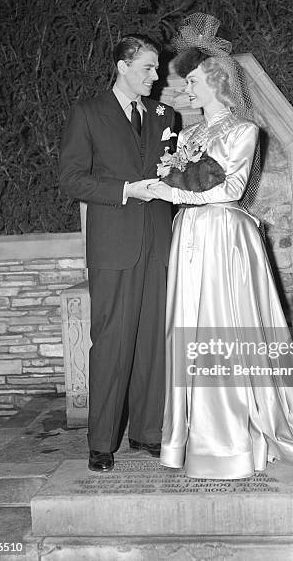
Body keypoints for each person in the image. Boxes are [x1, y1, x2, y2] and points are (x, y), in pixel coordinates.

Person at [148, 14, 293, 479]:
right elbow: (185, 175)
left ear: (216, 80)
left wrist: (170, 190)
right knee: (190, 328)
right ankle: (193, 431)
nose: (188, 91)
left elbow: (230, 189)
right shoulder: (191, 133)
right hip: (191, 235)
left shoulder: (244, 131)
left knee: (225, 323)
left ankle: (235, 434)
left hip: (222, 234)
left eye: (193, 81)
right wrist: (171, 185)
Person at [60, 34, 175, 472]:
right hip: (113, 247)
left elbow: (173, 172)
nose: (156, 75)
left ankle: (148, 433)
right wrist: (126, 190)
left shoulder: (166, 115)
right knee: (110, 342)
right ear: (123, 66)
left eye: (157, 67)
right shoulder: (88, 114)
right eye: (148, 67)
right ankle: (102, 441)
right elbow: (71, 179)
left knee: (153, 342)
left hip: (159, 243)